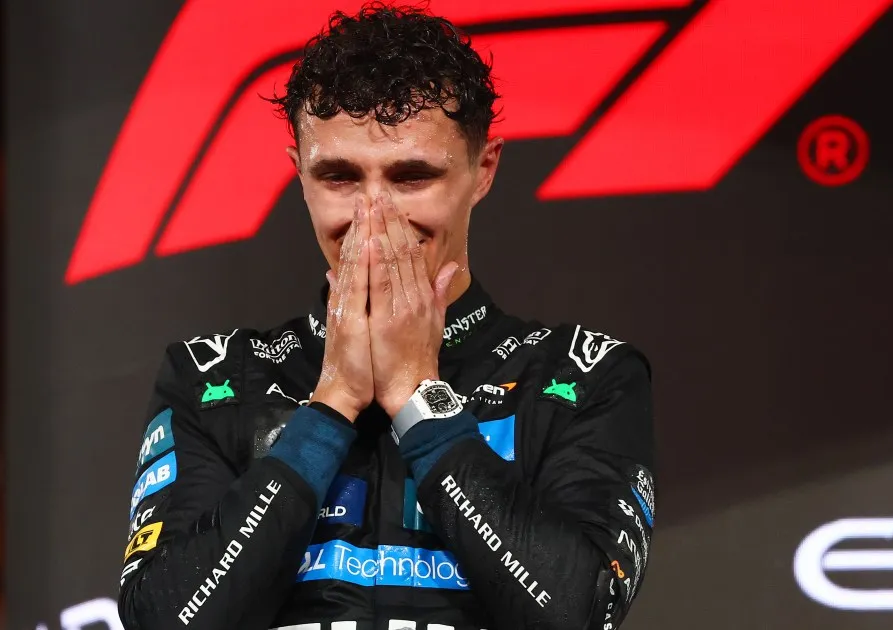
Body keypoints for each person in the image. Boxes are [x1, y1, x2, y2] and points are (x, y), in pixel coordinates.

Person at [117, 4, 655, 629]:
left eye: (411, 176)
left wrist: (418, 397)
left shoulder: (587, 375)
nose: (374, 217)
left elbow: (581, 615)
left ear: (483, 171)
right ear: (299, 175)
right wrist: (332, 404)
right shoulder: (211, 378)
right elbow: (162, 620)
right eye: (339, 177)